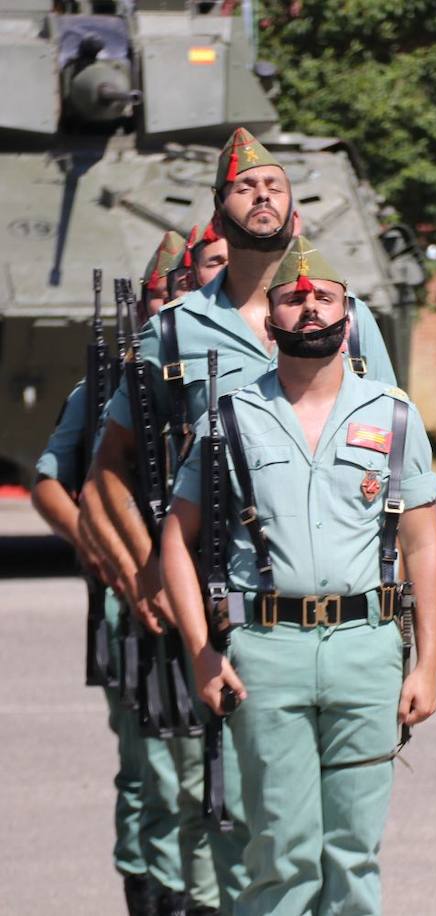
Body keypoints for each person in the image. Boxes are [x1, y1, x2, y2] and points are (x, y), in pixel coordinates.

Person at [78, 127, 399, 905]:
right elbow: (109, 471)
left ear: (296, 208)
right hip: (229, 606)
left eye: (277, 185)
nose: (264, 196)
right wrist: (147, 569)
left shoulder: (340, 316)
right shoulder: (176, 330)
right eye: (245, 188)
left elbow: (395, 454)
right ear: (219, 212)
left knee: (345, 845)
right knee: (239, 822)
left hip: (343, 612)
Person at [159, 238, 436, 914]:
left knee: (352, 858)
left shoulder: (394, 413)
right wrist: (202, 652)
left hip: (365, 650)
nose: (309, 306)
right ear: (270, 320)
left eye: (325, 297)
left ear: (347, 316)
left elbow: (423, 546)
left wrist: (426, 664)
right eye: (293, 297)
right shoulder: (228, 416)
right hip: (267, 654)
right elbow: (176, 539)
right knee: (282, 856)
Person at [32, 231, 217, 915]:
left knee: (203, 773)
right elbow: (58, 485)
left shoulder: (220, 377)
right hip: (137, 602)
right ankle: (155, 890)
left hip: (208, 596)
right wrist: (114, 557)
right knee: (155, 771)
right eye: (166, 295)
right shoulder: (109, 386)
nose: (177, 306)